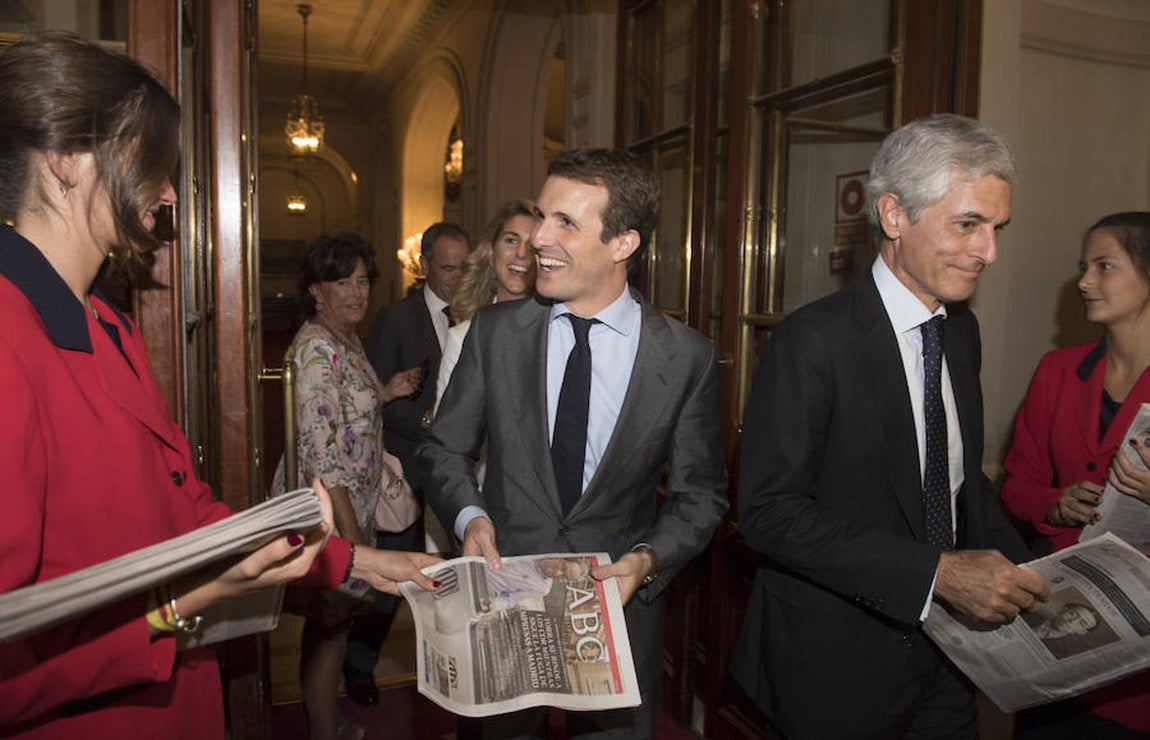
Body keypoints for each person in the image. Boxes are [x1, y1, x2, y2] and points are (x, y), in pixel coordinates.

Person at [0, 33, 437, 739]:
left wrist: (356, 560)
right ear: (66, 158)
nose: (170, 191)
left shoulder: (108, 324)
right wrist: (187, 602)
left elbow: (188, 512)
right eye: (152, 161)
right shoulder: (7, 333)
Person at [731, 114, 1051, 739]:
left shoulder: (961, 331)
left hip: (952, 661)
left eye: (996, 228)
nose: (989, 252)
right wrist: (936, 575)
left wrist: (1037, 576)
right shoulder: (812, 340)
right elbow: (768, 513)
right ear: (895, 215)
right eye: (968, 224)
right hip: (833, 665)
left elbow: (954, 481)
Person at [415, 147, 729, 739]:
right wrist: (470, 516)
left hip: (618, 618)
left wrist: (649, 558)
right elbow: (441, 448)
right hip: (502, 602)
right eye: (540, 215)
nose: (537, 237)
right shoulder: (496, 333)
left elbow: (700, 496)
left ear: (623, 244)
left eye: (565, 223)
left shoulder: (685, 357)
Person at [1001, 212, 1150, 737]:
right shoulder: (1057, 371)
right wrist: (1054, 503)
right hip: (1056, 632)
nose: (1084, 282)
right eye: (1083, 267)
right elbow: (1016, 483)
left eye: (1103, 266)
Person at [271, 233, 421, 740]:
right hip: (331, 512)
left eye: (362, 281)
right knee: (329, 625)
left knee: (336, 624)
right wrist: (353, 539)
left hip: (352, 502)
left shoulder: (346, 338)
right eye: (343, 282)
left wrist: (387, 390)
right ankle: (323, 729)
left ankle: (329, 720)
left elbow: (345, 413)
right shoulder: (315, 348)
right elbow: (321, 455)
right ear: (316, 291)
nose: (357, 292)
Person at [343, 222, 472, 706]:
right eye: (448, 268)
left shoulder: (483, 317)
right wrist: (429, 419)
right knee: (387, 581)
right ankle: (359, 666)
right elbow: (374, 399)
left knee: (453, 577)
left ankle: (448, 673)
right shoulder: (396, 319)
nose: (458, 279)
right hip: (403, 473)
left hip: (455, 475)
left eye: (465, 267)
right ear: (424, 266)